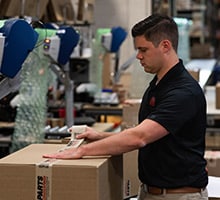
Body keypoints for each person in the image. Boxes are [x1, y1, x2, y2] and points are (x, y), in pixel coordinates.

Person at [43, 14, 208, 200]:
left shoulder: (183, 92)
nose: (138, 56)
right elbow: (153, 136)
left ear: (165, 46)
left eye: (143, 50)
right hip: (151, 192)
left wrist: (81, 151)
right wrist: (101, 136)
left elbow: (140, 137)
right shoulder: (159, 85)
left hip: (176, 196)